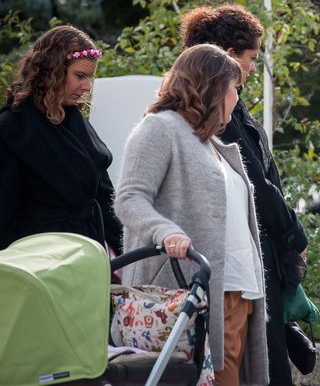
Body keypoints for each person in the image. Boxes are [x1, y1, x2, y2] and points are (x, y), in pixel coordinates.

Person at [114, 44, 269, 386]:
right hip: (190, 294)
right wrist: (164, 231)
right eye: (234, 90)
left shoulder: (212, 144)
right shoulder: (160, 128)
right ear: (212, 87)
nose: (236, 100)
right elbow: (129, 198)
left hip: (238, 293)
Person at [181, 5, 308, 386]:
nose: (253, 68)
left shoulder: (226, 106)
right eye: (251, 58)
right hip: (245, 254)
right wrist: (293, 235)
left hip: (249, 254)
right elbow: (256, 181)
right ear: (228, 55)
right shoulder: (219, 111)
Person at [0, 25, 122, 254]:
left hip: (87, 254)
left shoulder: (77, 123)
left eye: (90, 78)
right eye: (80, 76)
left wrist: (124, 251)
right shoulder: (11, 129)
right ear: (52, 71)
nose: (87, 86)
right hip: (36, 260)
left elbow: (105, 199)